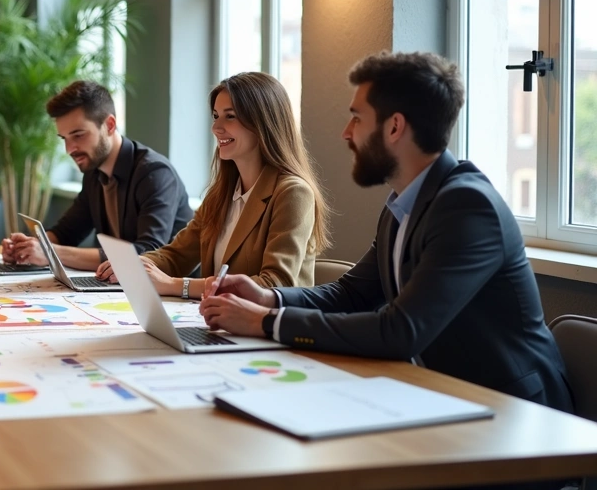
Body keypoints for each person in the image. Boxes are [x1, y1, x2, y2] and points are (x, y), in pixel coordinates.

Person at [199, 51, 573, 414]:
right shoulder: (404, 202)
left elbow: (401, 331)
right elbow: (351, 293)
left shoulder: (467, 207)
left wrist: (265, 322)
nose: (346, 133)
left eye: (356, 119)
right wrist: (269, 298)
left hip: (510, 411)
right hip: (440, 394)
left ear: (394, 127)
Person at [97, 72, 329, 297]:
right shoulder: (221, 194)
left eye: (230, 116)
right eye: (216, 116)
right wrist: (134, 264)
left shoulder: (293, 193)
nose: (216, 128)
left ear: (263, 123)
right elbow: (176, 256)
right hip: (219, 318)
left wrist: (178, 285)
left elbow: (275, 284)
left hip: (269, 322)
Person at [2, 80, 194, 270]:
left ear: (109, 125)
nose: (69, 149)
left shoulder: (154, 173)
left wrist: (50, 252)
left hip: (167, 287)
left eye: (78, 135)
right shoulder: (94, 172)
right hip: (116, 284)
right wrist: (27, 248)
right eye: (64, 139)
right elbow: (66, 232)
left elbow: (148, 253)